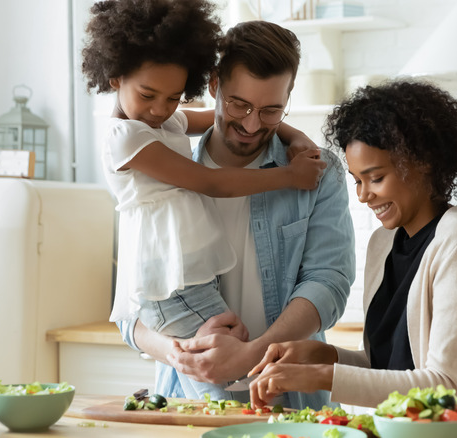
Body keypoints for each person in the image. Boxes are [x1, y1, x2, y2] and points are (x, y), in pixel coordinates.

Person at [246, 80, 457, 431]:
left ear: (424, 163)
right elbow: (390, 367)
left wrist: (323, 378)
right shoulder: (383, 244)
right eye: (357, 180)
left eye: (376, 178)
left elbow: (444, 388)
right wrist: (321, 356)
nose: (363, 195)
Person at [81, 0, 327, 400]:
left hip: (191, 279)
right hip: (171, 285)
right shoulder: (126, 137)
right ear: (114, 76)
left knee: (229, 375)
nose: (160, 110)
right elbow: (209, 183)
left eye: (173, 98)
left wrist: (294, 136)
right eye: (148, 95)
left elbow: (210, 116)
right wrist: (289, 177)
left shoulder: (161, 120)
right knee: (225, 388)